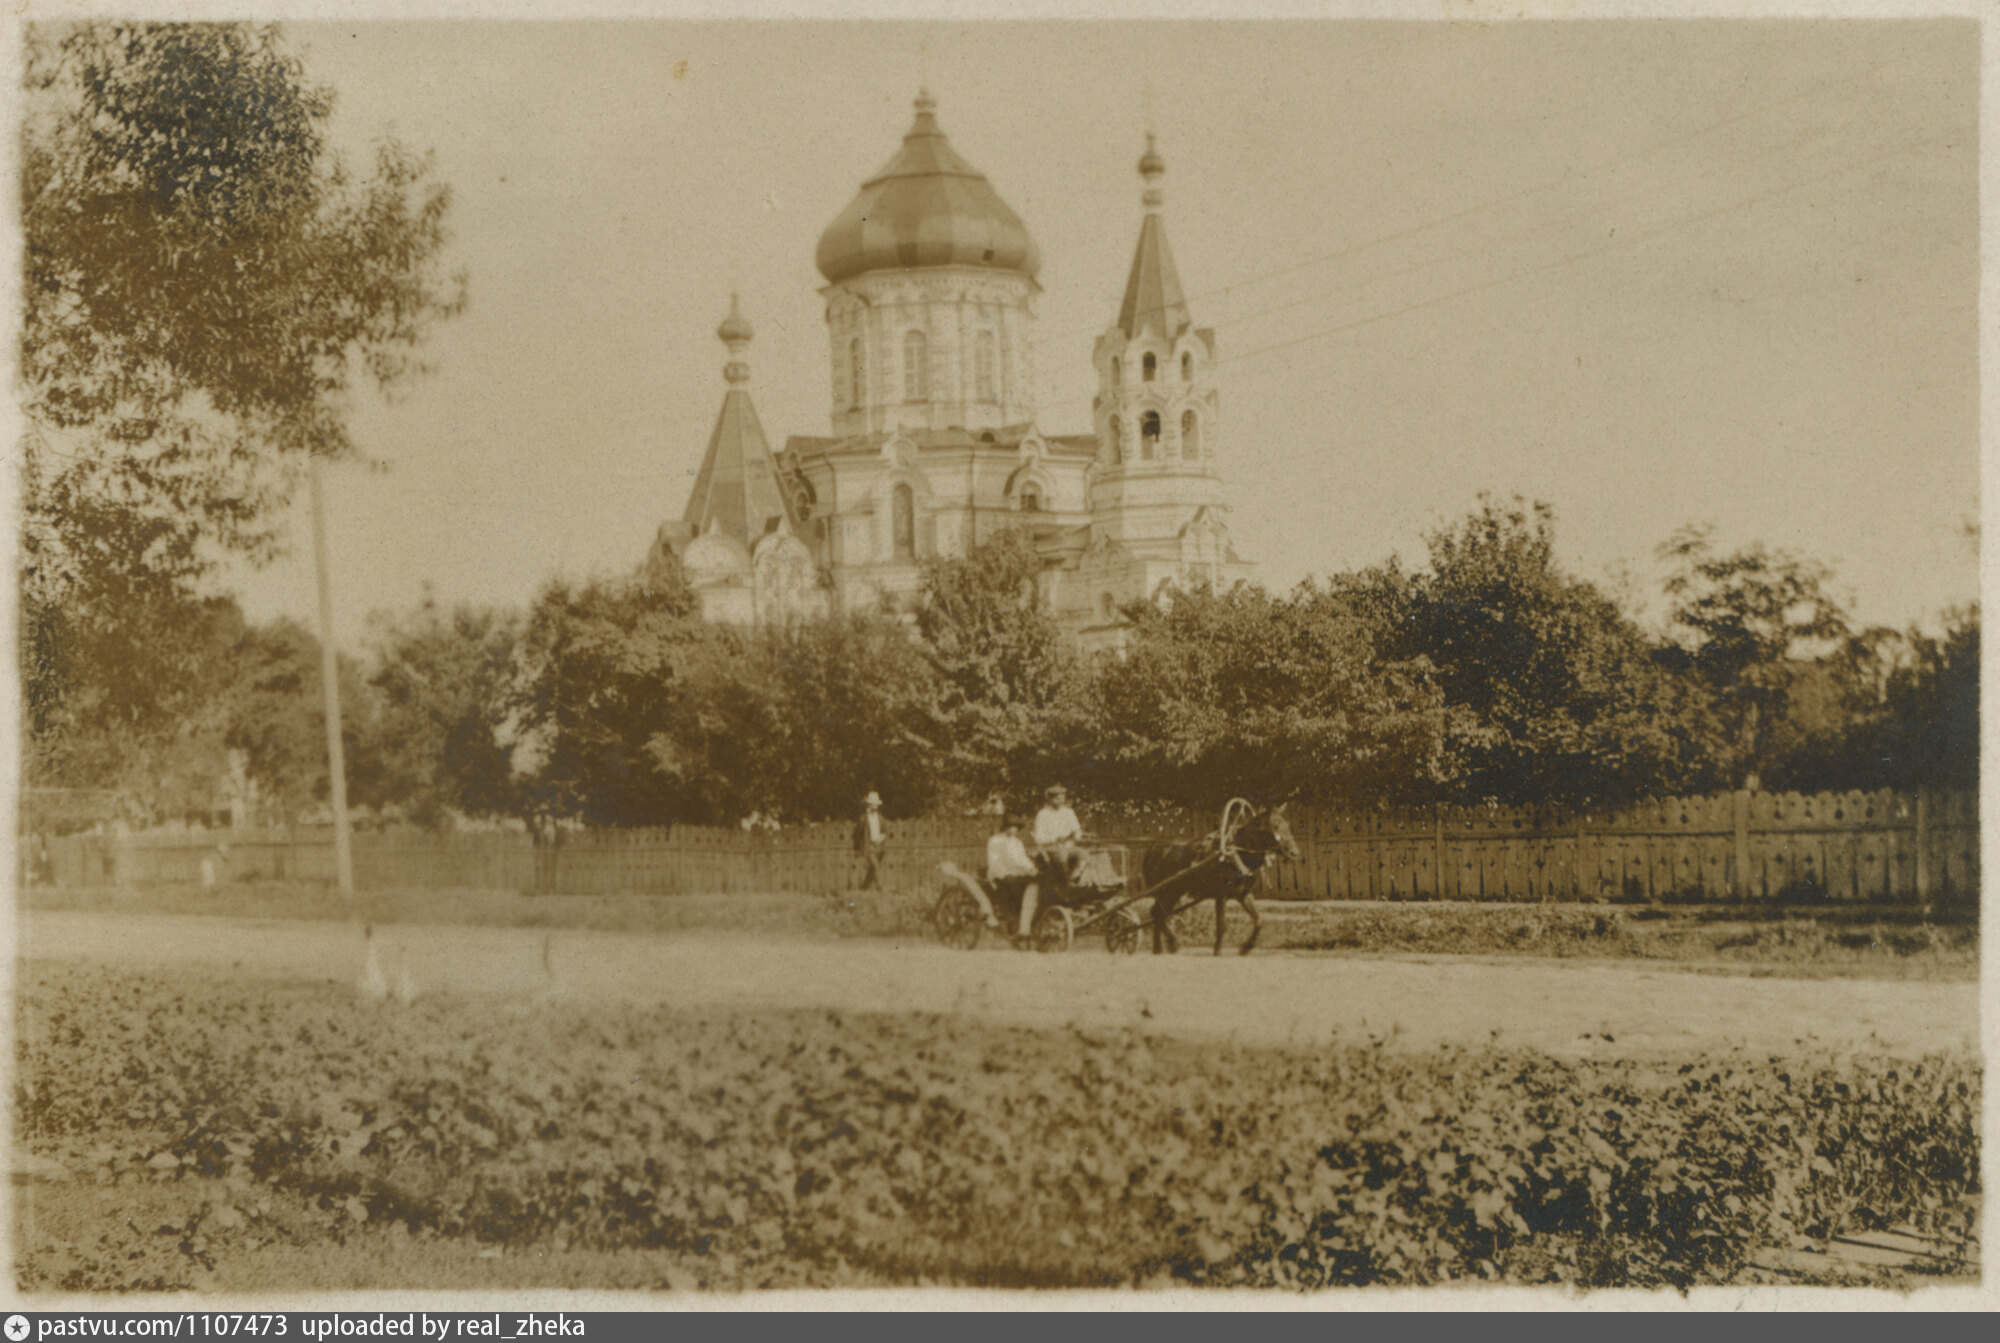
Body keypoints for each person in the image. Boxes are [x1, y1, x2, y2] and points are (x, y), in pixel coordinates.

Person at [985, 814, 1039, 938]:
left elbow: (1023, 859)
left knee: (1032, 881)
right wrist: (1006, 873)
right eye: (1011, 826)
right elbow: (994, 862)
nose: (1013, 830)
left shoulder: (1017, 842)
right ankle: (1012, 918)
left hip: (1017, 872)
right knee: (1012, 883)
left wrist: (1030, 868)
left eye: (1016, 827)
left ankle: (1025, 918)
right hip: (1000, 873)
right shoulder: (995, 840)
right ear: (1005, 827)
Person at [1034, 784, 1084, 883]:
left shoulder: (1069, 812)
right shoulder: (1042, 814)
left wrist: (1077, 836)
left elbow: (1077, 829)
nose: (1061, 801)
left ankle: (1074, 878)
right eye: (1057, 798)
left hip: (1068, 845)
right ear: (1049, 799)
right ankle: (1066, 884)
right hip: (1050, 847)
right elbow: (1038, 838)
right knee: (1062, 857)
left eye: (1062, 798)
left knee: (1083, 855)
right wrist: (1055, 839)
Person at [853, 790, 888, 890]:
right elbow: (857, 834)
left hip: (879, 845)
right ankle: (881, 888)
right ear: (868, 805)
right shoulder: (863, 818)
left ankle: (863, 889)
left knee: (872, 869)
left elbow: (885, 832)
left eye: (876, 804)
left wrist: (881, 838)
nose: (875, 806)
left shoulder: (880, 818)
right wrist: (856, 849)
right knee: (875, 866)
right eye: (873, 804)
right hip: (869, 846)